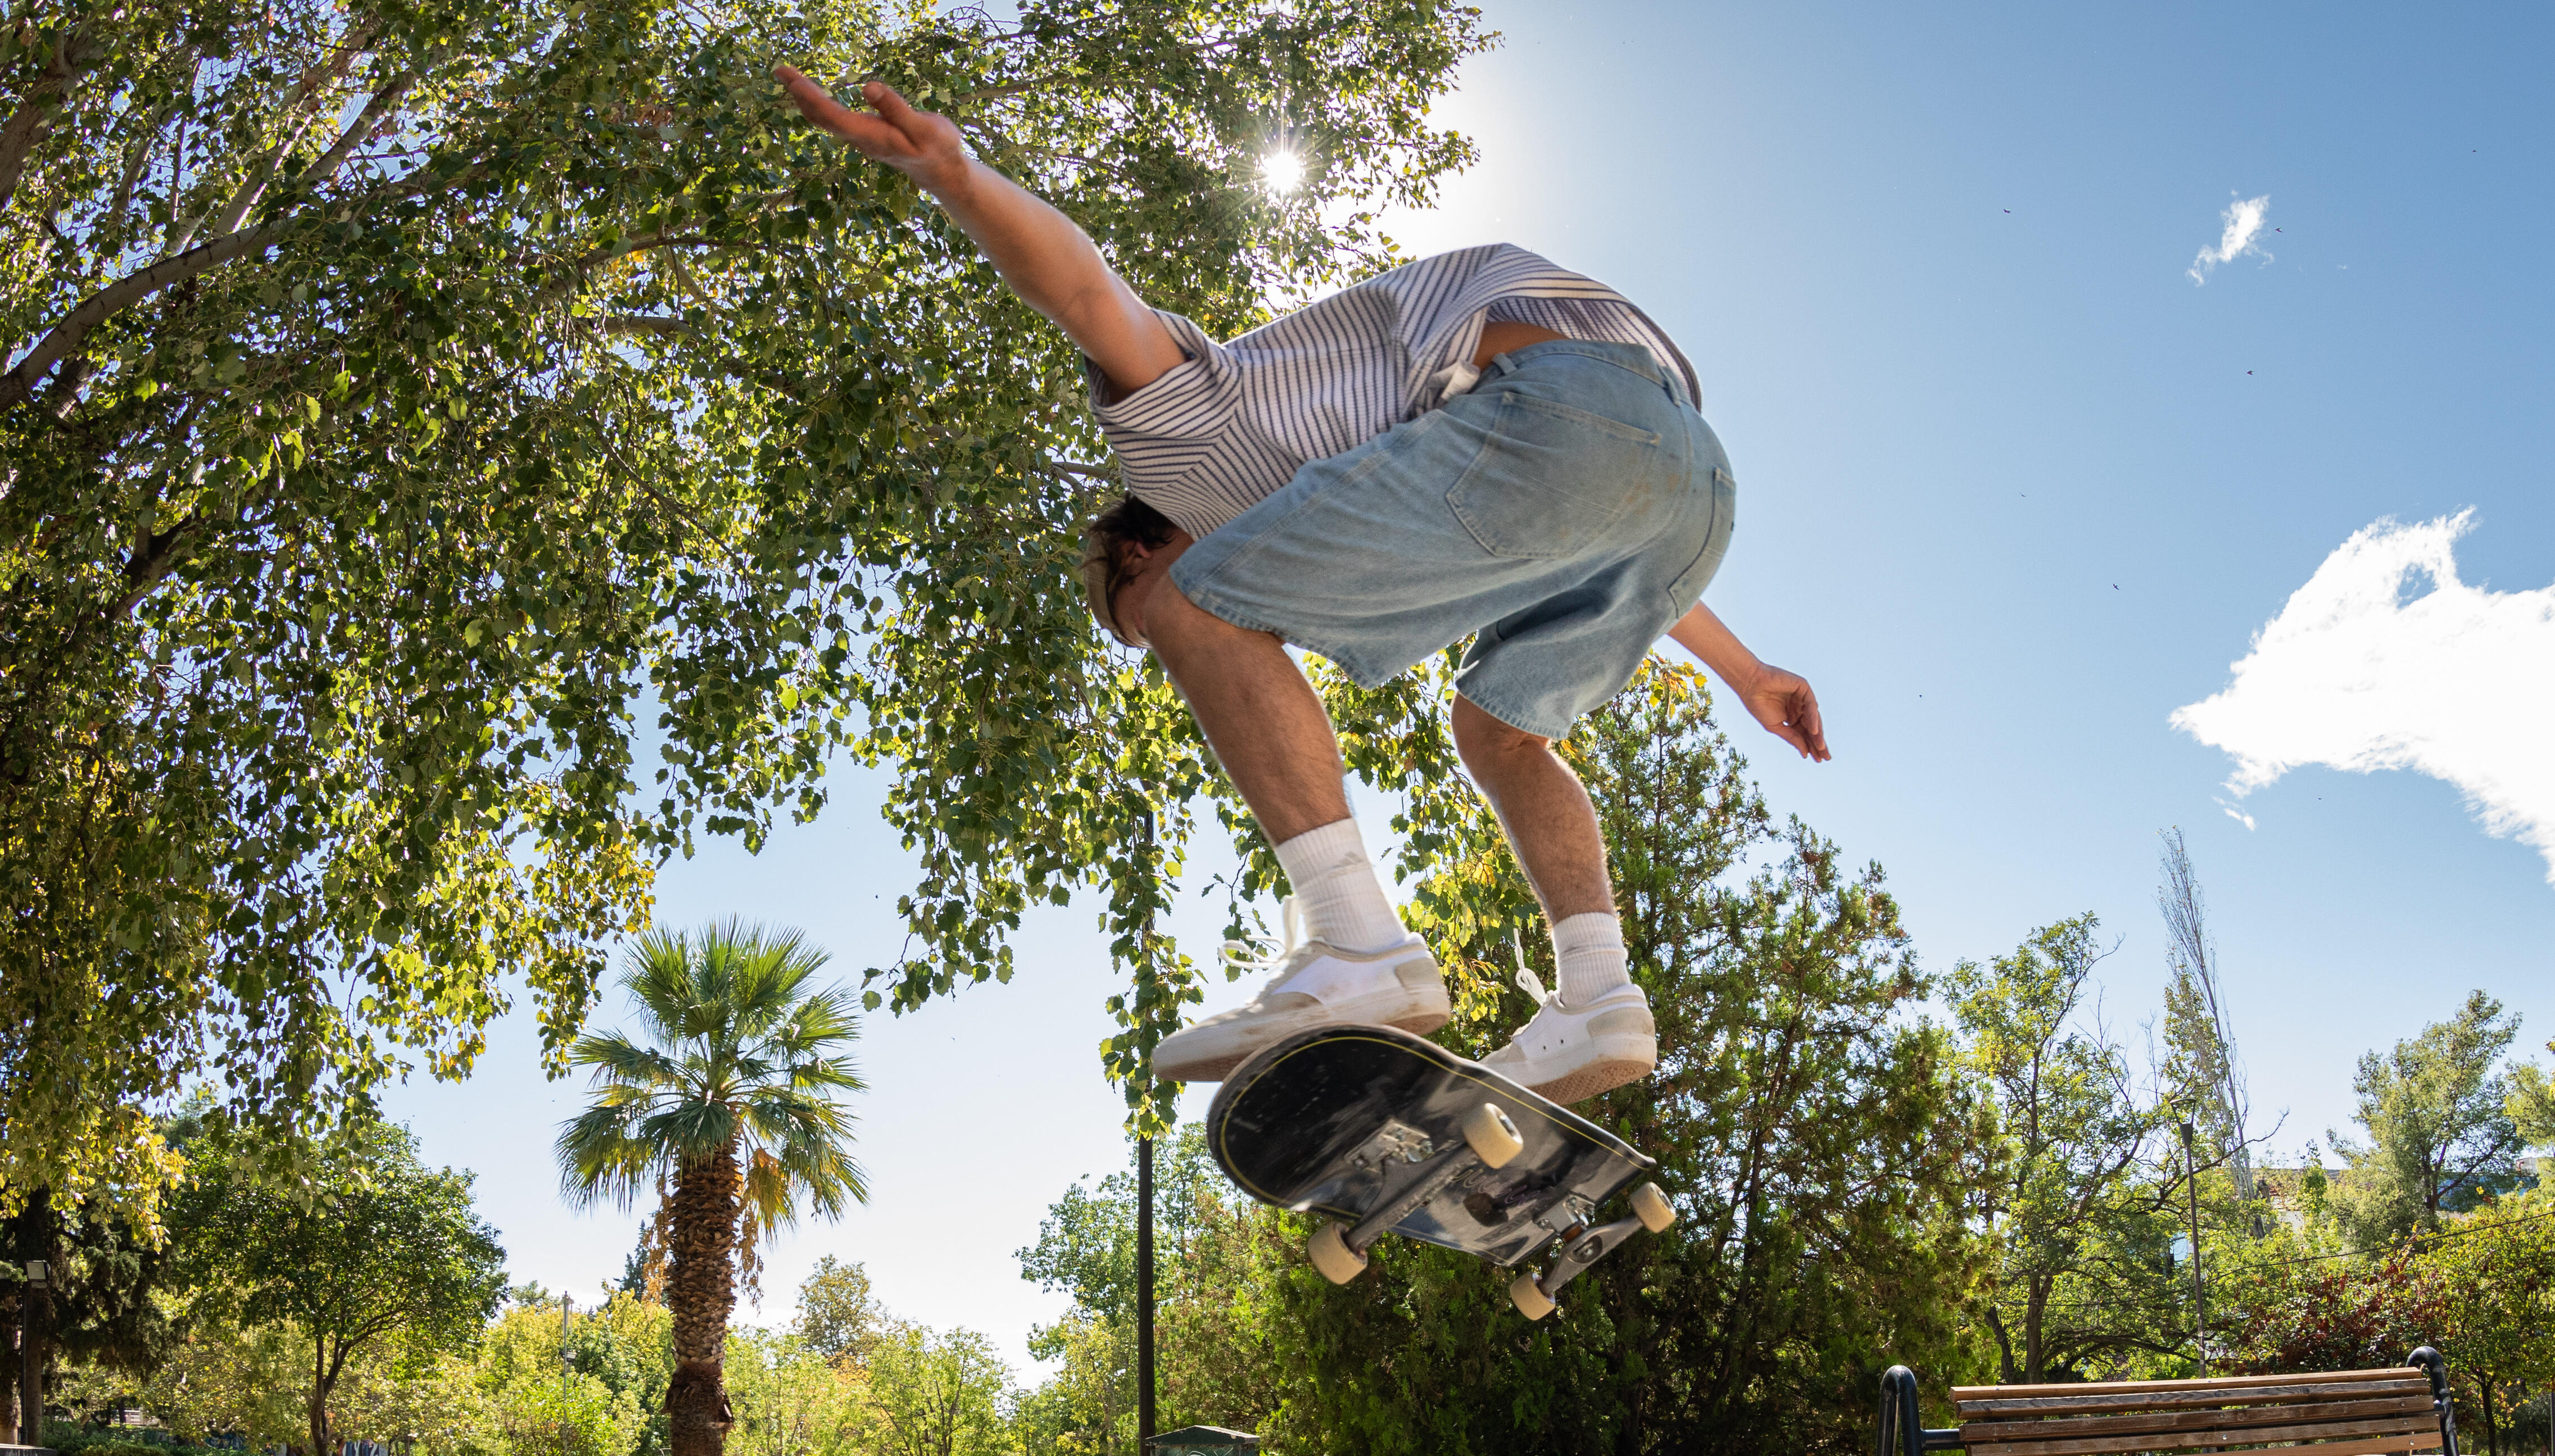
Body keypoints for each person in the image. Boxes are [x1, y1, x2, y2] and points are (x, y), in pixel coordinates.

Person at [775, 70, 1828, 1103]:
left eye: (1133, 619)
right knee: (1500, 731)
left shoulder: (1184, 453)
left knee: (1209, 609)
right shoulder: (1386, 492)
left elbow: (1091, 294)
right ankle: (1600, 997)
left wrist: (962, 180)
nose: (1167, 652)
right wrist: (1746, 671)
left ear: (1138, 551)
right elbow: (1607, 492)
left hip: (1558, 409)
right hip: (1687, 479)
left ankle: (1355, 940)